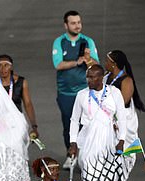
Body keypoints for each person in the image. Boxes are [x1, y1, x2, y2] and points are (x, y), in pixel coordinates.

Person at [69, 64, 127, 181]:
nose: (89, 80)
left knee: (109, 179)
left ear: (101, 77)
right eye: (88, 77)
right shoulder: (81, 95)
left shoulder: (114, 93)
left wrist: (121, 140)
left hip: (109, 141)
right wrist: (73, 142)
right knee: (90, 178)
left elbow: (122, 117)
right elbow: (74, 120)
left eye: (93, 77)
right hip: (87, 142)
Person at [52, 10, 99, 168]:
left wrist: (88, 59)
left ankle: (87, 155)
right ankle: (71, 155)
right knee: (68, 125)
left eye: (79, 22)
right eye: (73, 23)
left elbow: (96, 66)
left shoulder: (88, 41)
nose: (77, 25)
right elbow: (58, 64)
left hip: (86, 91)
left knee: (87, 123)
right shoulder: (59, 42)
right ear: (66, 25)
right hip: (65, 93)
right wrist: (77, 62)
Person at [104, 50, 145, 181]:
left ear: (114, 64)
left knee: (125, 155)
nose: (105, 63)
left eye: (107, 61)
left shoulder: (126, 81)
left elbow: (121, 106)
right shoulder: (107, 77)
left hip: (123, 124)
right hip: (109, 122)